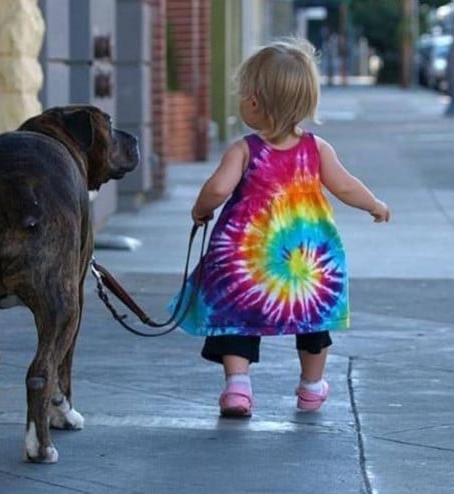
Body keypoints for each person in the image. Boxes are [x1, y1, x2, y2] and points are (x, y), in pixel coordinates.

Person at [168, 37, 390, 418]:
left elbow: (219, 189)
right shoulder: (317, 149)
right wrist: (375, 204)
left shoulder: (244, 149)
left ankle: (238, 388)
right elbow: (346, 185)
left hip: (247, 262)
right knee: (313, 323)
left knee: (237, 319)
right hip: (305, 262)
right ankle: (311, 387)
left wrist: (200, 209)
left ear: (255, 102)